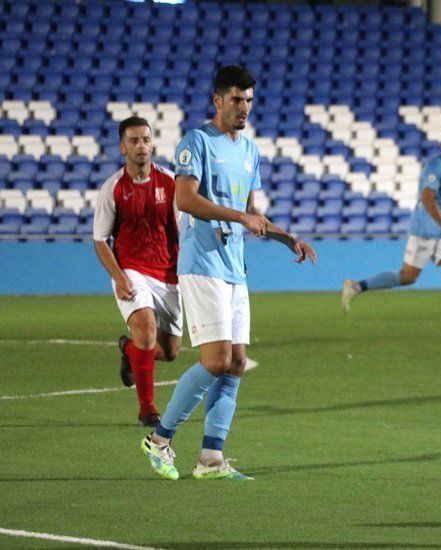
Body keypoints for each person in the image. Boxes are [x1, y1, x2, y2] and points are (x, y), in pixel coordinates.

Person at [140, 65, 317, 481]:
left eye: (249, 100)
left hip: (235, 267)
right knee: (216, 360)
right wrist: (239, 216)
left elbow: (253, 214)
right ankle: (159, 439)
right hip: (202, 265)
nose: (244, 108)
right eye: (237, 99)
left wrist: (288, 238)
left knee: (236, 362)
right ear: (218, 100)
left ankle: (211, 459)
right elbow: (185, 199)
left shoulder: (249, 150)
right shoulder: (197, 141)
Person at [340, 128, 441, 334]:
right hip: (423, 230)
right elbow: (427, 199)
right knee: (407, 276)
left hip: (437, 231)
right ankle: (356, 286)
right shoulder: (435, 167)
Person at [93, 116, 181, 427]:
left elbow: (184, 232)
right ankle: (147, 410)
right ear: (122, 146)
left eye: (145, 139)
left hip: (169, 274)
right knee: (145, 329)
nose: (141, 145)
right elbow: (100, 239)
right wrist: (119, 277)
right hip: (132, 271)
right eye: (134, 140)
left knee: (170, 352)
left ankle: (128, 350)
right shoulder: (113, 188)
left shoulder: (170, 182)